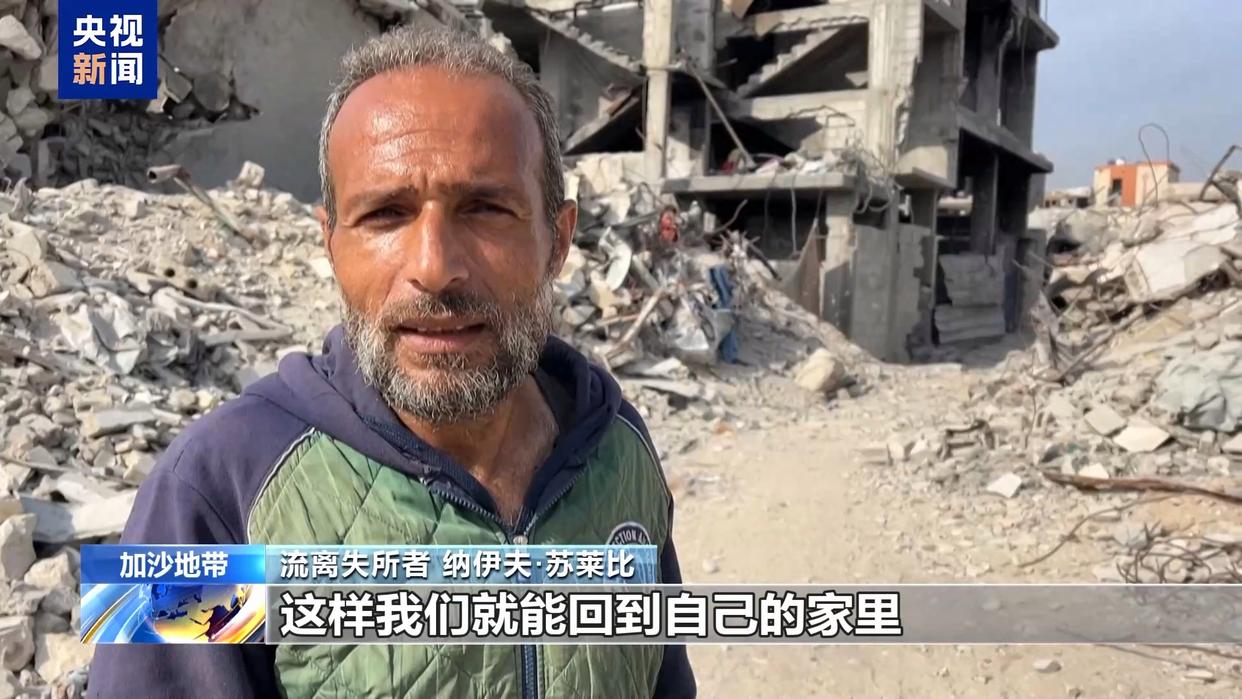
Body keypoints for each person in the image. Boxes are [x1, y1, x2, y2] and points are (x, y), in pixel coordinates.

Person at [87, 25, 695, 699]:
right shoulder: (210, 494)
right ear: (331, 245)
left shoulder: (617, 449)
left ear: (558, 240)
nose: (434, 268)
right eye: (385, 214)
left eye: (485, 208)